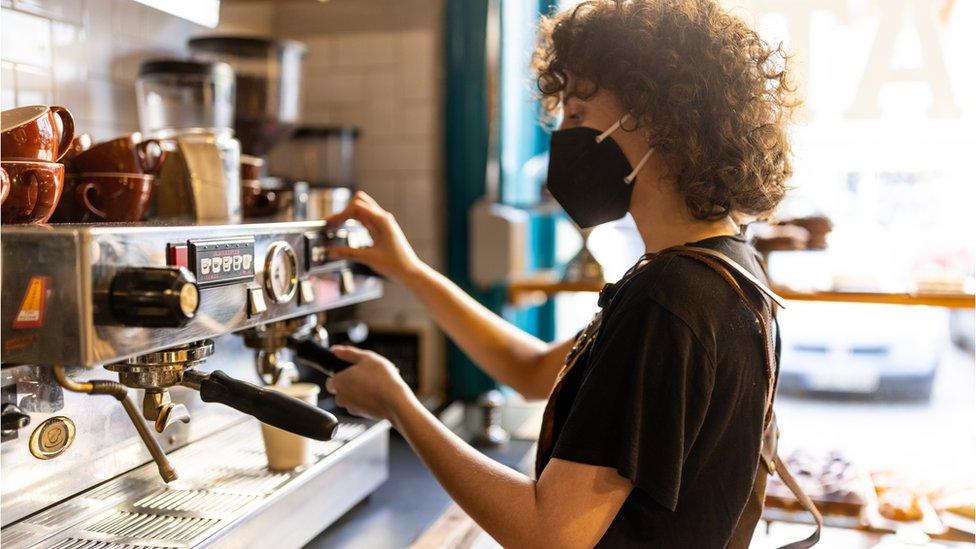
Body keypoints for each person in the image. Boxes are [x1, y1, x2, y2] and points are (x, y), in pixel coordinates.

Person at [322, 0, 797, 546]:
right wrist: (409, 270)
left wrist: (397, 405)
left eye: (576, 115)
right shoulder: (728, 268)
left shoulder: (668, 299)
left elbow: (551, 535)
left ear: (658, 120)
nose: (563, 138)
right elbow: (530, 370)